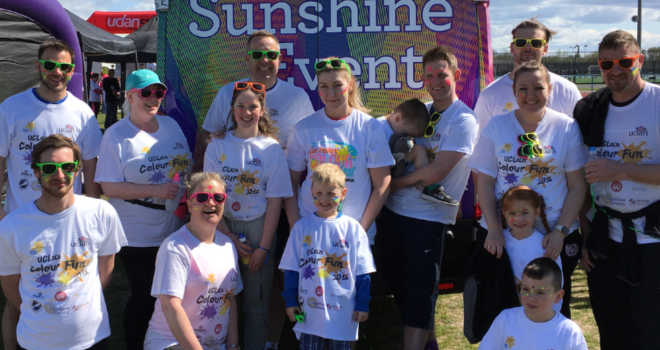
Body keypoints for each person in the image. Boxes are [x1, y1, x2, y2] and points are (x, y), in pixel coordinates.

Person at [201, 30, 314, 350]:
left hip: (275, 207)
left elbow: (308, 151)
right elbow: (209, 142)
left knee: (263, 289)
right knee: (221, 292)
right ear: (246, 58)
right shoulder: (225, 98)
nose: (265, 61)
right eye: (257, 55)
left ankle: (268, 341)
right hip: (224, 220)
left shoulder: (296, 99)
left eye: (272, 55)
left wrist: (264, 244)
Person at [0, 38, 103, 350]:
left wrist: (94, 212)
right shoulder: (12, 108)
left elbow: (90, 168)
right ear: (38, 66)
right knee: (17, 300)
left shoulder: (83, 112)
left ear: (72, 70)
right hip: (21, 220)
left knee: (66, 291)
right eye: (50, 65)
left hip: (68, 222)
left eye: (65, 66)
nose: (57, 71)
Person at [377, 45, 478, 350]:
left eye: (442, 74)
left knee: (420, 297)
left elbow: (436, 173)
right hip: (394, 214)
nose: (436, 81)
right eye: (430, 75)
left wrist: (387, 187)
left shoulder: (464, 120)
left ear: (456, 75)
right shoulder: (421, 110)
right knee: (404, 291)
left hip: (427, 220)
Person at [469, 61, 587, 319]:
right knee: (505, 310)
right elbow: (484, 184)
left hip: (551, 237)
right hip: (505, 236)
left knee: (552, 311)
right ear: (513, 91)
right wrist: (495, 230)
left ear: (550, 88)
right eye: (523, 88)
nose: (530, 95)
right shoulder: (497, 127)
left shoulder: (566, 127)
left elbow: (578, 187)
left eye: (538, 87)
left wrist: (560, 232)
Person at [95, 70, 193, 349]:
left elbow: (184, 165)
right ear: (130, 96)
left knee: (171, 294)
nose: (153, 99)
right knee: (145, 295)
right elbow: (109, 187)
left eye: (158, 93)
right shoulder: (116, 135)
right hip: (137, 232)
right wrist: (156, 190)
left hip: (174, 226)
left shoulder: (170, 125)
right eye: (145, 93)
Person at [0, 134, 127, 350]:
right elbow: (10, 285)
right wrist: (42, 315)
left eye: (67, 167)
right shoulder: (12, 226)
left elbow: (106, 267)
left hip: (92, 338)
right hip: (36, 342)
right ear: (36, 172)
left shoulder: (102, 213)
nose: (59, 174)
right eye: (49, 168)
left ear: (77, 170)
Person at [575, 30, 660, 349]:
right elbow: (580, 177)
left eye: (625, 61)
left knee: (650, 331)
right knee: (611, 328)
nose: (616, 69)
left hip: (652, 238)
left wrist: (621, 169)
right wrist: (586, 233)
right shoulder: (589, 109)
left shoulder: (656, 102)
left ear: (640, 60)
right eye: (607, 63)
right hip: (606, 238)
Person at [203, 81, 293, 350]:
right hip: (221, 227)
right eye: (240, 106)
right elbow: (209, 199)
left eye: (252, 106)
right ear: (231, 110)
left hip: (258, 230)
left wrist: (264, 248)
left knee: (256, 304)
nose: (246, 112)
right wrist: (228, 236)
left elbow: (275, 202)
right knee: (220, 297)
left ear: (262, 110)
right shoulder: (217, 146)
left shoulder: (271, 148)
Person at [286, 56, 393, 246]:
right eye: (324, 86)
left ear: (350, 85)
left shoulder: (369, 127)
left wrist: (361, 231)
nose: (331, 93)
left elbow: (382, 185)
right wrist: (296, 227)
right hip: (310, 231)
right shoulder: (304, 127)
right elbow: (290, 184)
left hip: (354, 234)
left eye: (337, 85)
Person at [279, 163, 376, 348]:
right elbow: (291, 269)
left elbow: (363, 272)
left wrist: (362, 303)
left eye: (331, 194)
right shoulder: (301, 228)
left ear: (343, 194)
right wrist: (290, 301)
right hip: (309, 317)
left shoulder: (353, 229)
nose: (325, 199)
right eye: (319, 193)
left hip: (342, 316)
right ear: (311, 191)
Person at [144, 172, 242, 350]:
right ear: (189, 205)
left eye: (218, 197)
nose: (211, 203)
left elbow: (231, 299)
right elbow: (171, 307)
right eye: (202, 197)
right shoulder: (175, 247)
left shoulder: (228, 245)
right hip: (171, 341)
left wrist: (233, 345)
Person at [474, 18, 581, 134]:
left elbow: (579, 135)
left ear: (545, 49)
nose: (528, 47)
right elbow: (479, 140)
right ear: (512, 48)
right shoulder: (490, 94)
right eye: (521, 42)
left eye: (536, 43)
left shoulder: (567, 90)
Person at [478, 258, 587, 350]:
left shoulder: (569, 332)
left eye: (540, 292)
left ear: (558, 296)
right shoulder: (506, 320)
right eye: (525, 289)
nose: (531, 298)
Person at [377, 98, 458, 205]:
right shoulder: (376, 127)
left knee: (418, 149)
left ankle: (430, 187)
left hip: (393, 166)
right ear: (397, 118)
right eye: (406, 133)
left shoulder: (396, 126)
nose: (408, 138)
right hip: (376, 173)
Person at [499, 186, 564, 313]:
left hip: (537, 313)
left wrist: (550, 313)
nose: (519, 219)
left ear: (536, 212)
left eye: (525, 212)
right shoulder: (499, 240)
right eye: (512, 213)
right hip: (507, 310)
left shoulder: (544, 245)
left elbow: (557, 281)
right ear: (504, 213)